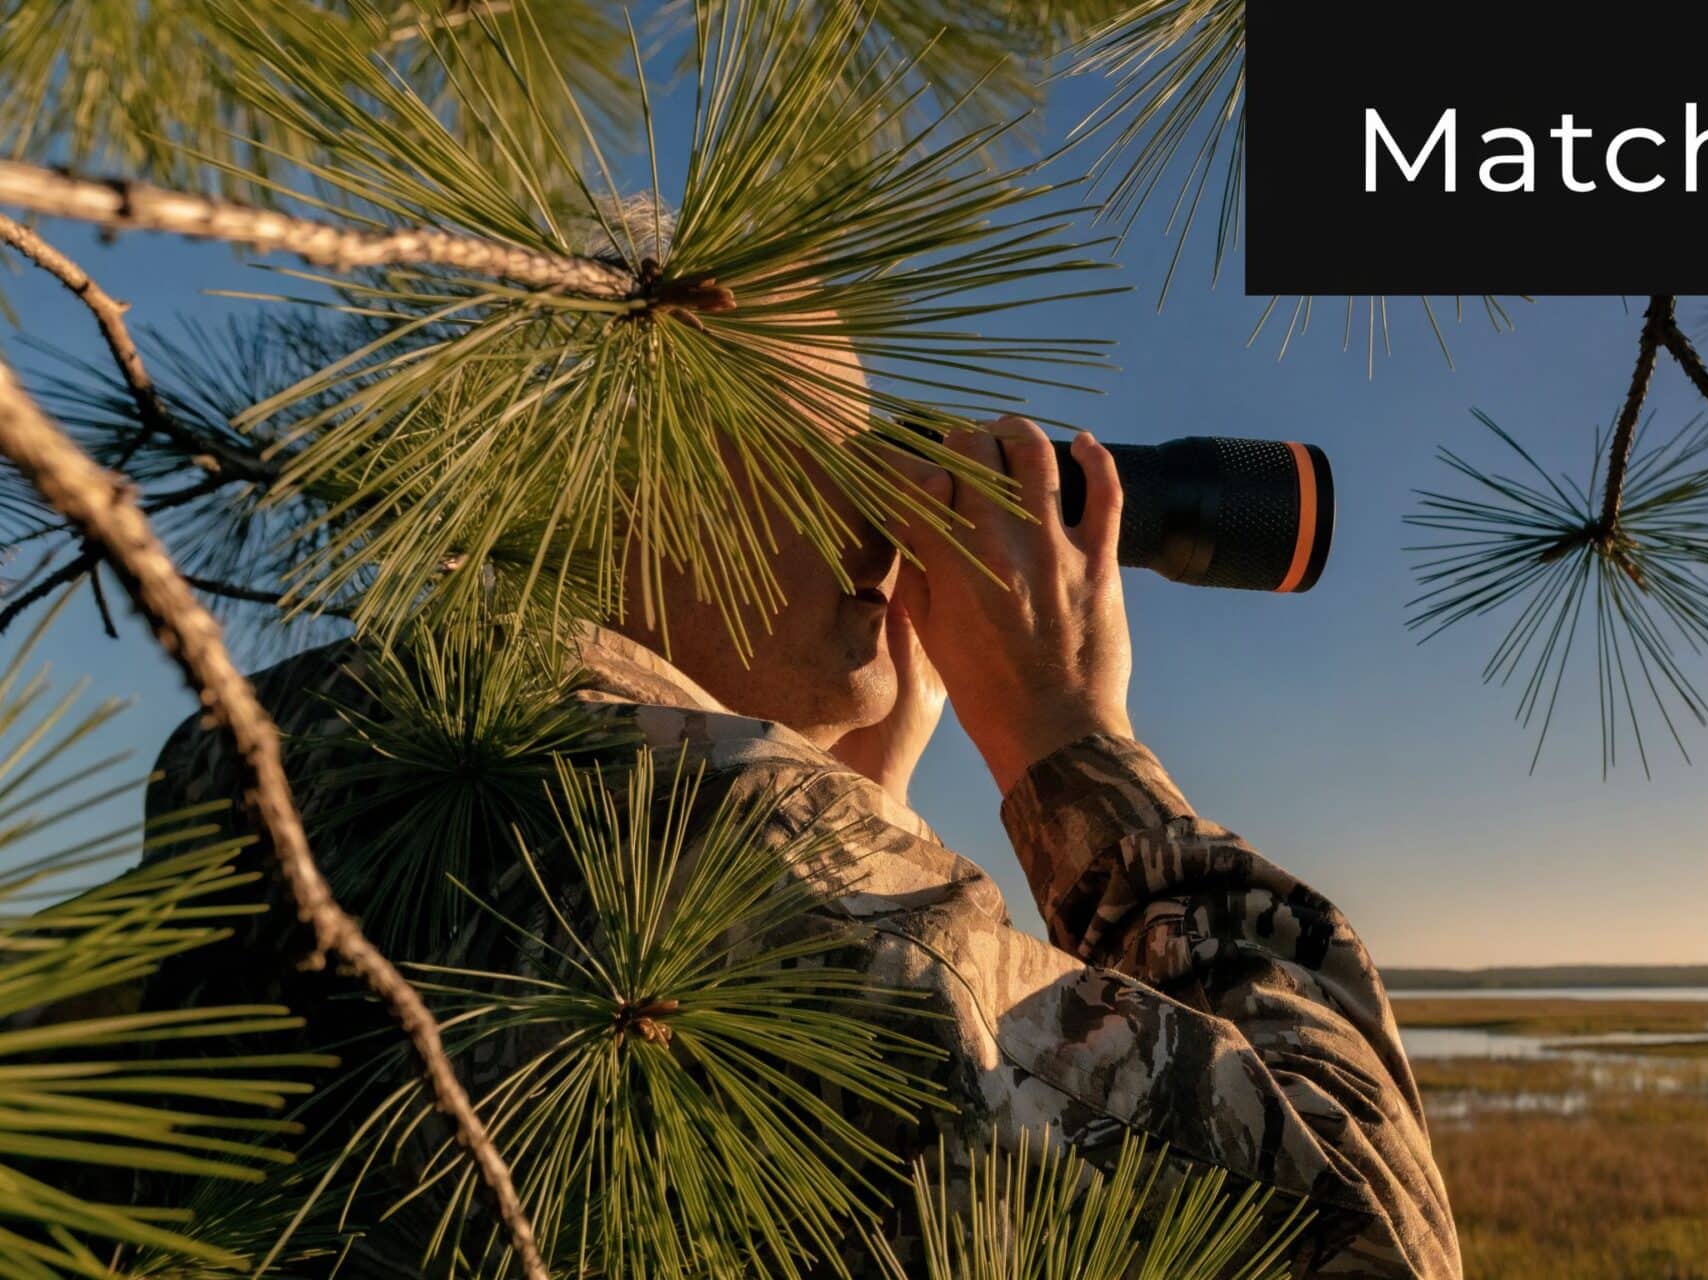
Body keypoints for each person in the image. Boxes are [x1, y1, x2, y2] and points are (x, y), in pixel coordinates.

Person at [134, 407, 1461, 1278]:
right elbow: (1358, 1234)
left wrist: (851, 798)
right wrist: (1075, 738)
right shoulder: (730, 860)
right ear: (620, 482)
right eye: (836, 451)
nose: (889, 521)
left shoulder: (296, 776)